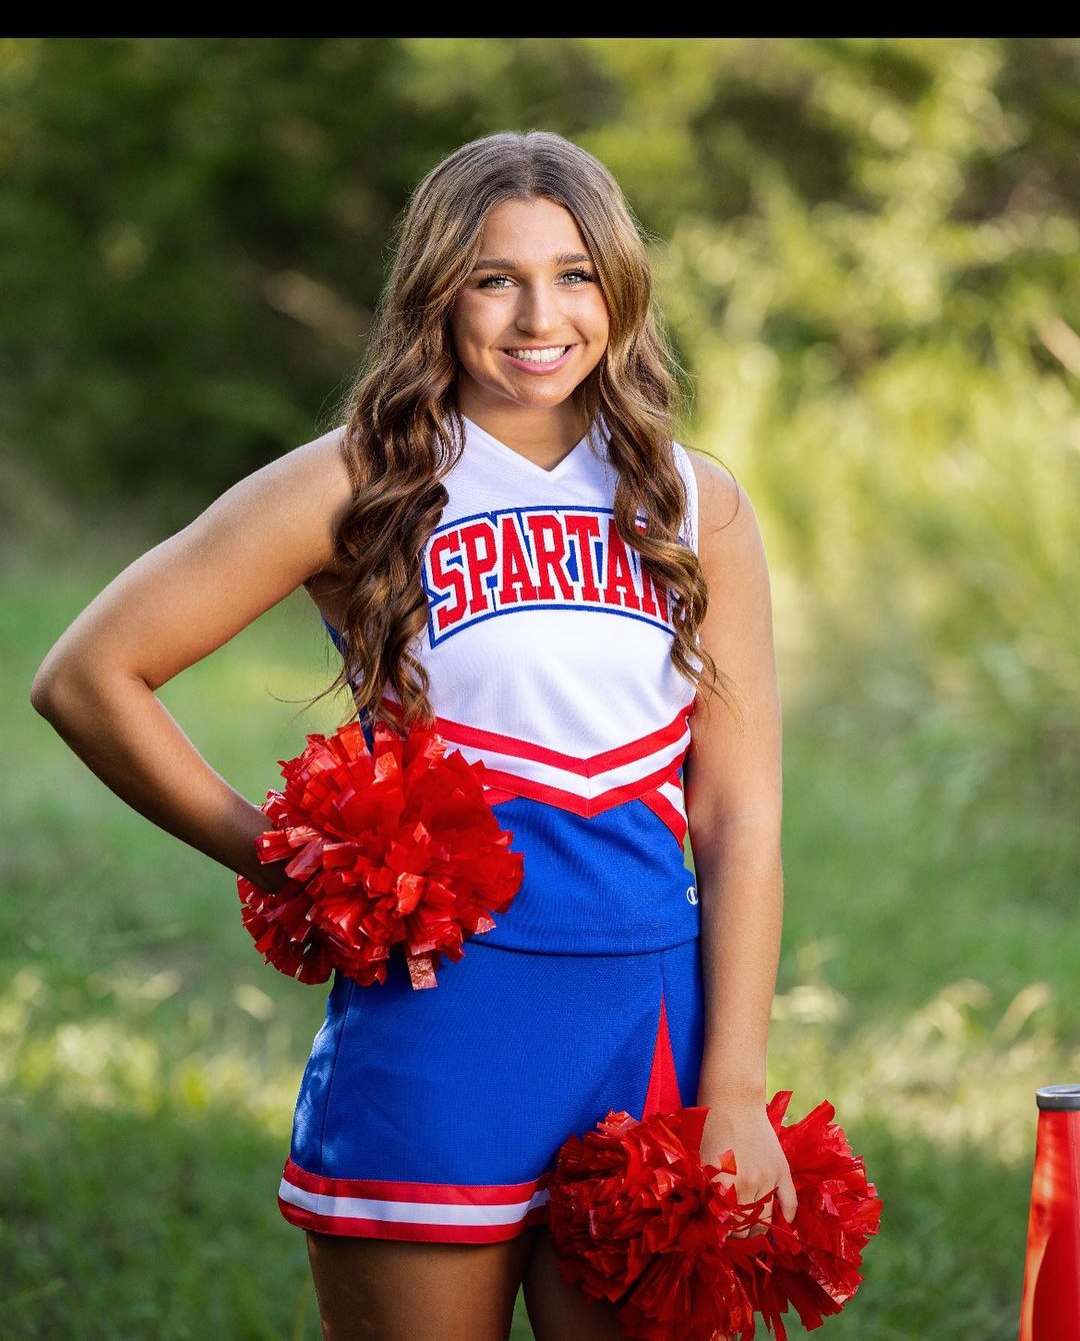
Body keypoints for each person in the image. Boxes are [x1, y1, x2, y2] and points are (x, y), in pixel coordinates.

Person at [30, 129, 796, 1341]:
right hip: (443, 1023)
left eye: (575, 274)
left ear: (620, 288)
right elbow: (89, 676)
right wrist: (286, 860)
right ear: (437, 292)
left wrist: (737, 1088)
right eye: (496, 278)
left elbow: (738, 812)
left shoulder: (697, 502)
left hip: (649, 1027)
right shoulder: (358, 481)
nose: (540, 315)